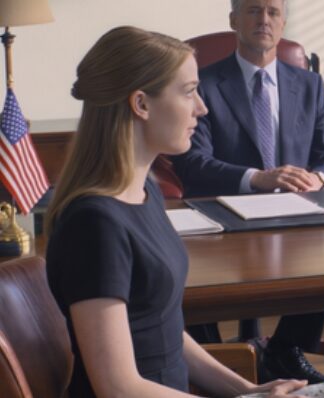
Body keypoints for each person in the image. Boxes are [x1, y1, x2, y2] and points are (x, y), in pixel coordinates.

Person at [45, 26, 307, 398]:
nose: (202, 107)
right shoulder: (94, 224)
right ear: (141, 104)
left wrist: (249, 389)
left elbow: (163, 326)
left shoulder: (146, 191)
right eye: (188, 92)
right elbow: (117, 388)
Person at [171, 0, 324, 384]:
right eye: (252, 10)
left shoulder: (309, 85)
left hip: (295, 212)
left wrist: (318, 180)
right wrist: (256, 178)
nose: (263, 19)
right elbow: (191, 162)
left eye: (272, 11)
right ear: (234, 20)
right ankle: (215, 360)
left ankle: (285, 351)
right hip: (222, 214)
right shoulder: (205, 83)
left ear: (283, 23)